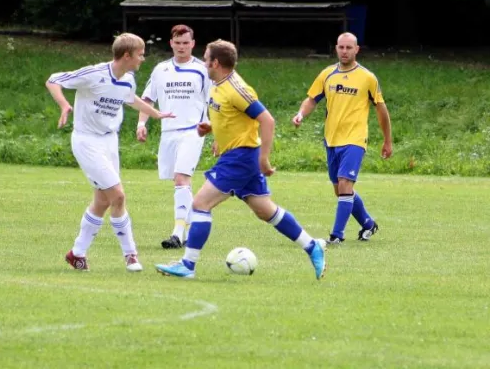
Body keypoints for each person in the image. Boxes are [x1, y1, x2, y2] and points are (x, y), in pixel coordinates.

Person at [155, 39, 327, 280]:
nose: (203, 62)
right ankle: (312, 246)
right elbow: (229, 117)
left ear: (216, 62)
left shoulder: (237, 89)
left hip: (241, 157)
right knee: (266, 210)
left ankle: (188, 265)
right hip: (236, 155)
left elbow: (267, 120)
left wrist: (263, 159)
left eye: (206, 59)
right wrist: (212, 129)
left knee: (199, 205)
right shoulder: (217, 84)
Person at [45, 33, 175, 272]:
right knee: (118, 196)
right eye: (141, 54)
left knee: (103, 201)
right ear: (127, 55)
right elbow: (54, 80)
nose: (143, 59)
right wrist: (64, 105)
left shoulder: (128, 79)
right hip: (87, 142)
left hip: (109, 142)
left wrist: (155, 114)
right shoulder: (94, 74)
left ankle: (77, 253)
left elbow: (130, 98)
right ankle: (131, 255)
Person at [292, 32, 393, 245]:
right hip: (332, 140)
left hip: (355, 139)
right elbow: (312, 99)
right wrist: (301, 114)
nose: (345, 51)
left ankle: (336, 236)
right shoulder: (327, 74)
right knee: (340, 190)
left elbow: (381, 110)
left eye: (349, 48)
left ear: (357, 49)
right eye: (341, 47)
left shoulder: (367, 78)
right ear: (336, 48)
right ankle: (367, 223)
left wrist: (387, 140)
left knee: (345, 184)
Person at [136, 24, 211, 249]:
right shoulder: (160, 70)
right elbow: (147, 99)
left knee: (181, 178)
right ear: (171, 43)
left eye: (186, 43)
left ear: (193, 44)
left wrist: (216, 132)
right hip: (168, 133)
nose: (181, 47)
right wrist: (141, 123)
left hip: (193, 131)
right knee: (179, 183)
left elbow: (214, 102)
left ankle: (177, 234)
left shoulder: (202, 69)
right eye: (177, 43)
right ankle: (189, 231)